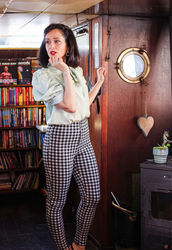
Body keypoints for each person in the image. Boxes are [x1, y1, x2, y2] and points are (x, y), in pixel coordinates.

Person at [32, 23, 106, 250]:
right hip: (60, 138)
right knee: (57, 202)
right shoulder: (43, 75)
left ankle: (79, 244)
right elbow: (71, 107)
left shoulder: (76, 71)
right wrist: (63, 70)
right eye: (47, 42)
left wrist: (99, 82)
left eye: (57, 41)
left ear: (67, 45)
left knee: (93, 195)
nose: (51, 46)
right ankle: (64, 248)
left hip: (82, 135)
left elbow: (84, 105)